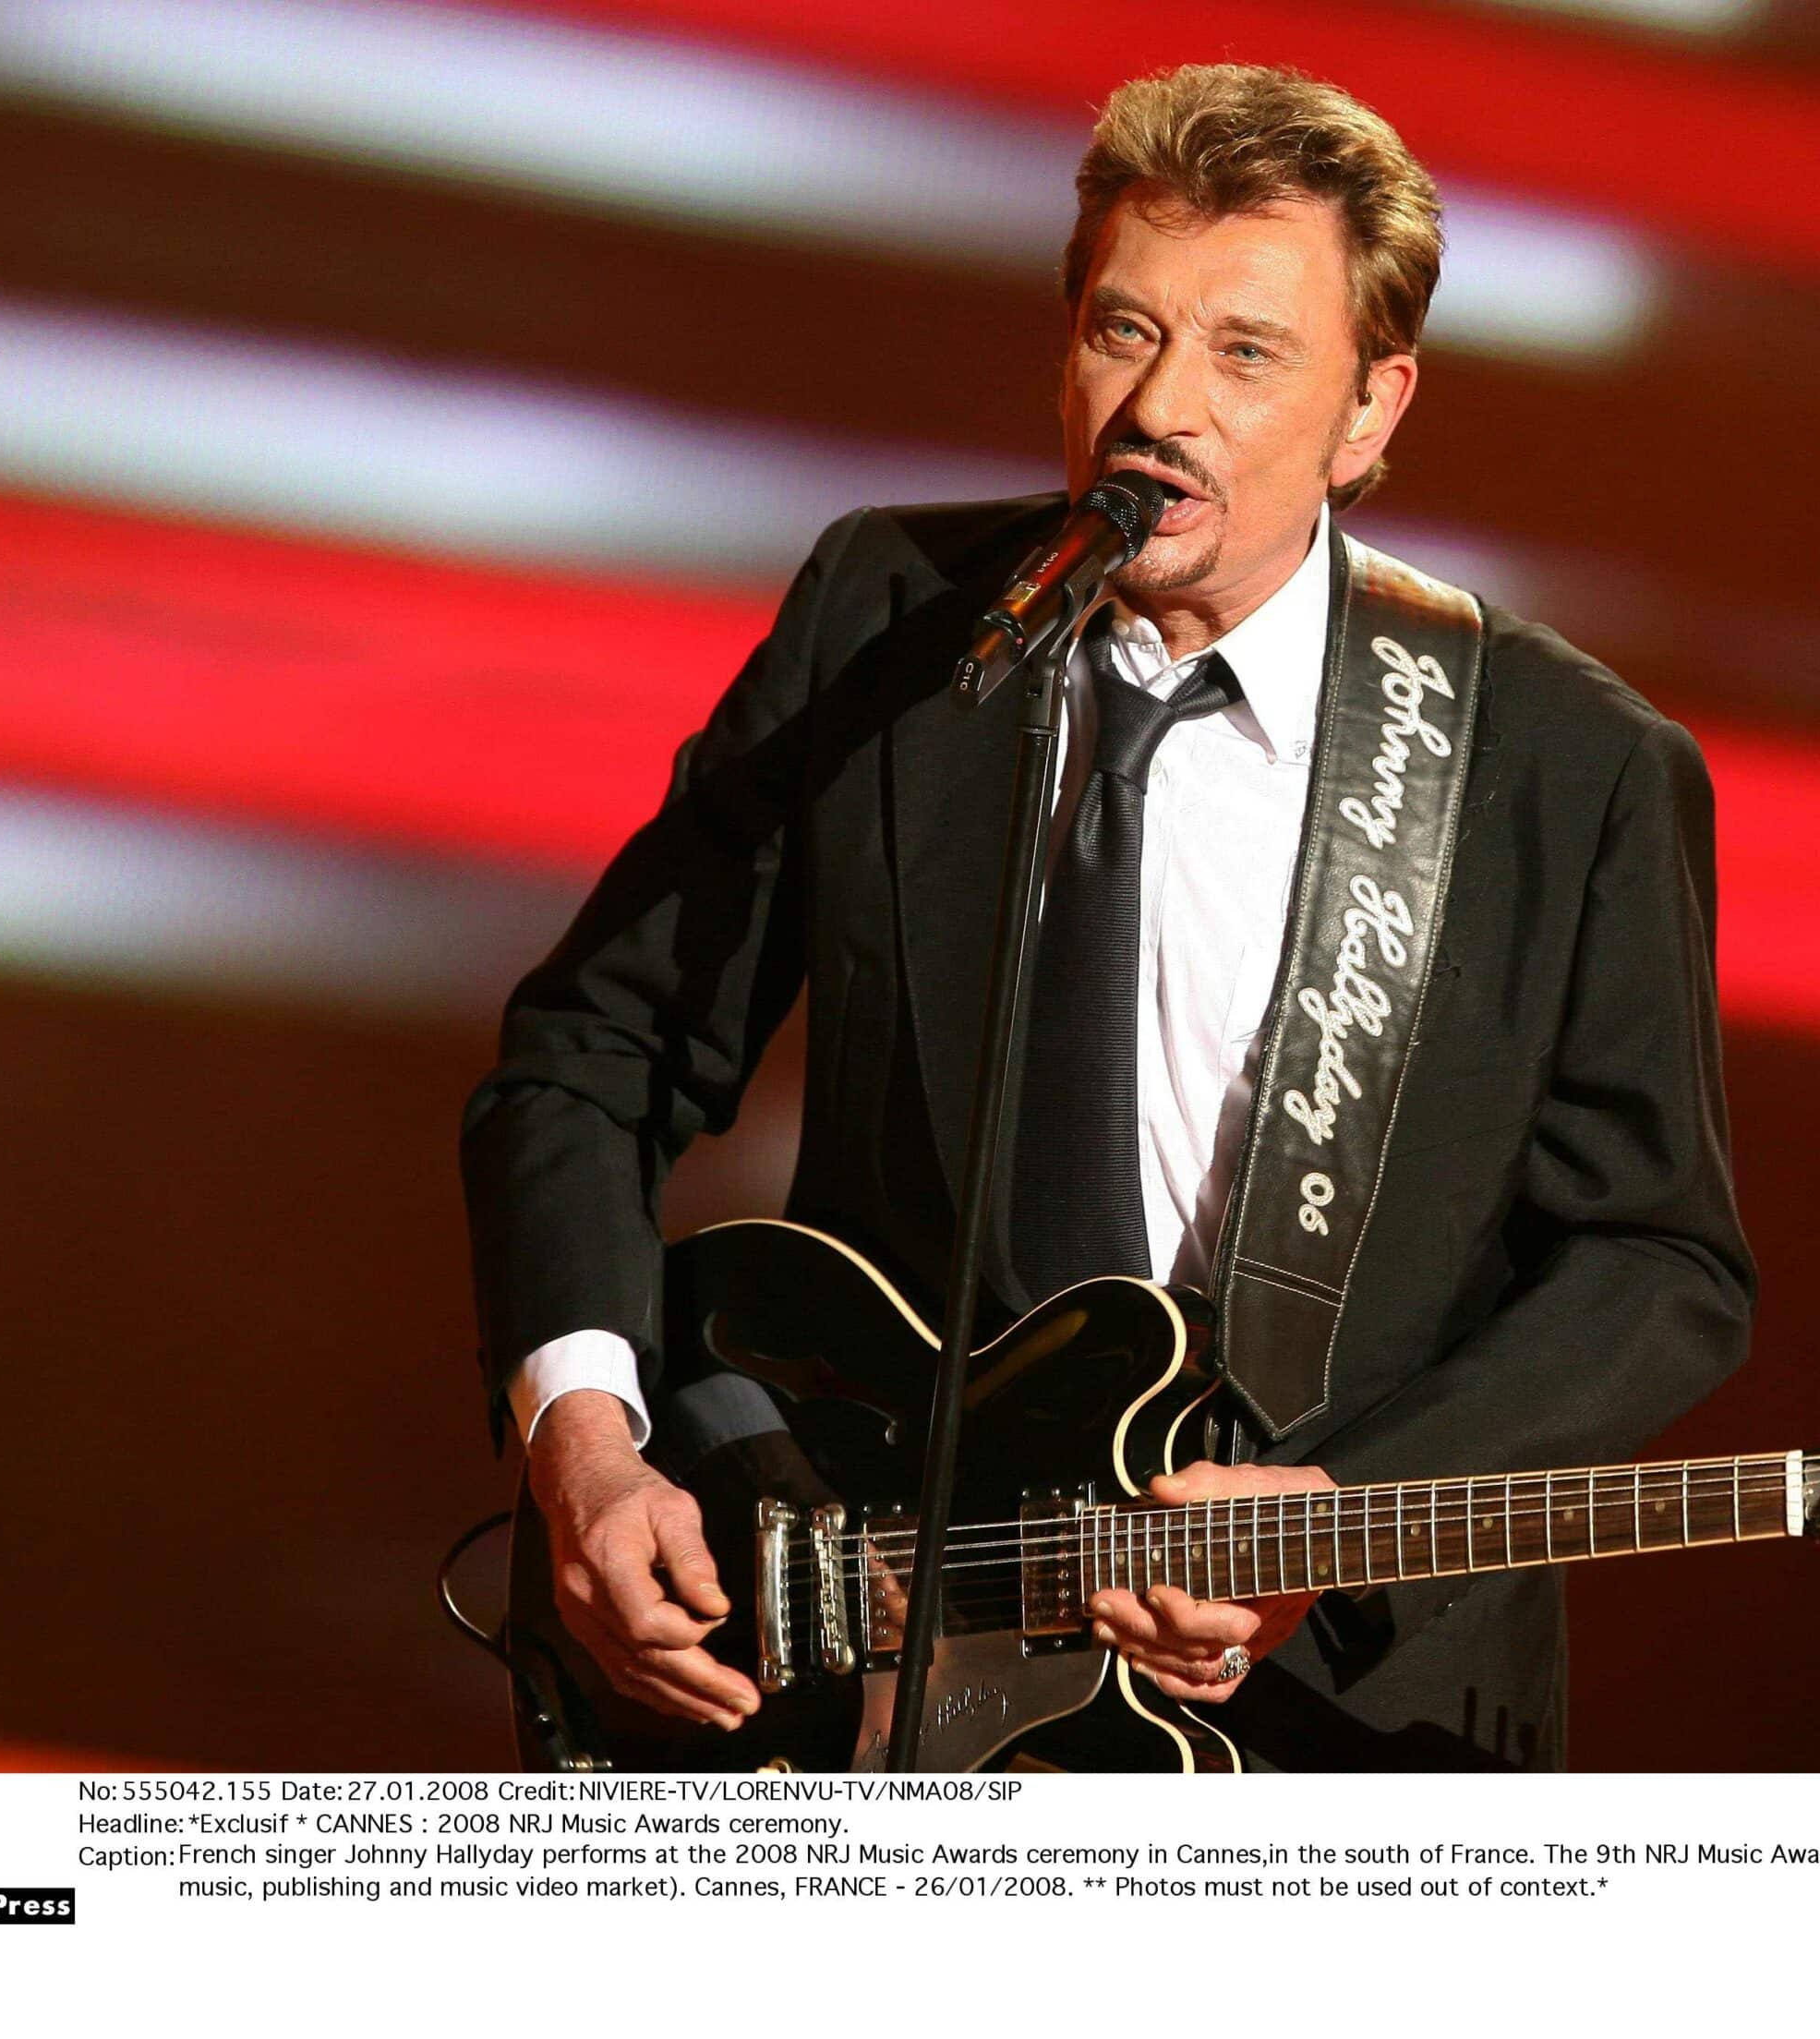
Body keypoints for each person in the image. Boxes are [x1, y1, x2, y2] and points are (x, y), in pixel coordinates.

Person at [461, 64, 1754, 1770]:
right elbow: (592, 1052)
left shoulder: (1565, 769)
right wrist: (586, 1436)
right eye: (1123, 334)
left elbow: (1658, 1267)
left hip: (1331, 1717)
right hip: (886, 1680)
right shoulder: (893, 627)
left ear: (1371, 413)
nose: (1164, 410)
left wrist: (1334, 1514)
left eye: (1246, 353)